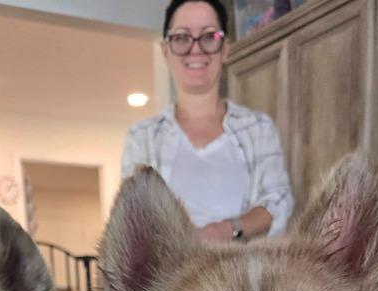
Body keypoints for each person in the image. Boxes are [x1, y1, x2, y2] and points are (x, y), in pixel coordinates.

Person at [122, 0, 293, 243]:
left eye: (209, 36)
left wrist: (226, 230)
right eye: (181, 37)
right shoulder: (142, 137)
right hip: (175, 277)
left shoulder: (259, 129)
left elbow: (277, 203)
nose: (196, 49)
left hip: (242, 271)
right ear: (165, 50)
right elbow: (134, 219)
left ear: (224, 48)